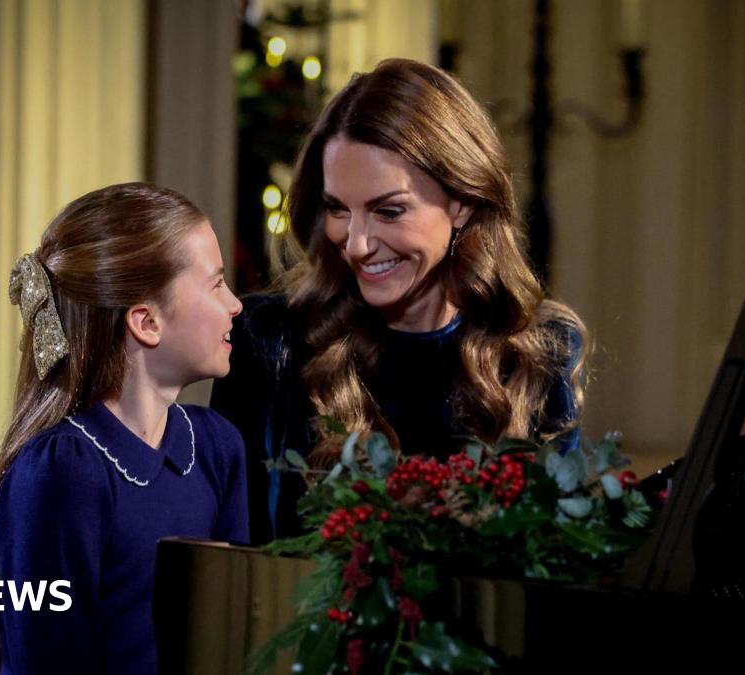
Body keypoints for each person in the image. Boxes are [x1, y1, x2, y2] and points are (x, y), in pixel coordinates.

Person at [211, 59, 588, 545]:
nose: (358, 244)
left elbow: (557, 565)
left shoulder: (538, 351)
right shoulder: (269, 340)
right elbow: (230, 554)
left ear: (463, 201)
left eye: (389, 211)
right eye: (337, 209)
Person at [0, 183, 247, 674]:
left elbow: (230, 639)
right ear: (146, 321)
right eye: (216, 283)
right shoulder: (63, 472)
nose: (235, 305)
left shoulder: (216, 447)